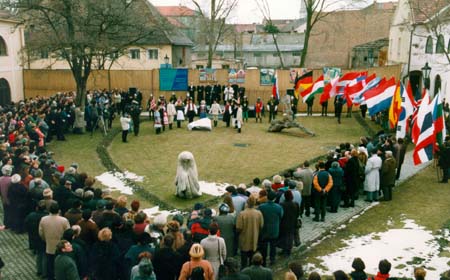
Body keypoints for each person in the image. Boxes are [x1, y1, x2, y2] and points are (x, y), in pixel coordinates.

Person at [39, 202, 71, 280]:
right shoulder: (64, 220)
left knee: (50, 264)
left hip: (49, 246)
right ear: (59, 210)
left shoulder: (43, 219)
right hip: (61, 246)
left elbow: (41, 233)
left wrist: (46, 240)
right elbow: (68, 233)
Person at [236, 195, 263, 269]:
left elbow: (239, 227)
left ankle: (244, 269)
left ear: (247, 203)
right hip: (254, 238)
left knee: (243, 259)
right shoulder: (258, 213)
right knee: (252, 257)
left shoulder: (242, 214)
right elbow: (261, 226)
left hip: (244, 238)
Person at [257, 191, 283, 266]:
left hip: (264, 230)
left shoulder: (261, 207)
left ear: (267, 197)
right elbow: (281, 216)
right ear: (275, 198)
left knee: (264, 247)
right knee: (273, 246)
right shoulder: (278, 207)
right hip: (274, 230)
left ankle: (264, 260)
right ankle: (272, 259)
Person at [278, 190, 299, 256]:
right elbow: (298, 213)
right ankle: (288, 250)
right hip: (293, 222)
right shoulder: (295, 204)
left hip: (284, 223)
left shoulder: (282, 204)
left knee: (284, 237)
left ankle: (284, 250)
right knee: (290, 237)